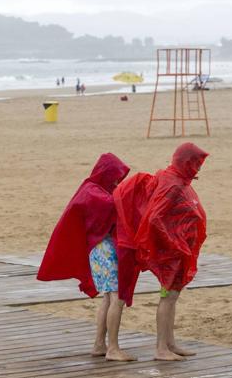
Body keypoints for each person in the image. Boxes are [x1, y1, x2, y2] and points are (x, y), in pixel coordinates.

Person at [37, 153, 137, 362]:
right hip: (103, 251)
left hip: (98, 251)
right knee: (117, 298)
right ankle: (113, 349)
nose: (119, 181)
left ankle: (100, 344)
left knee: (109, 297)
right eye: (117, 177)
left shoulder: (91, 189)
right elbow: (116, 206)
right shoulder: (95, 193)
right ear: (107, 174)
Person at [114, 142, 209, 361]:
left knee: (173, 296)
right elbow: (155, 217)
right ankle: (161, 348)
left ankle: (170, 343)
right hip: (172, 253)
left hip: (180, 251)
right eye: (196, 162)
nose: (199, 167)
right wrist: (173, 243)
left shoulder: (180, 180)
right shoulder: (172, 184)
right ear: (186, 162)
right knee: (167, 297)